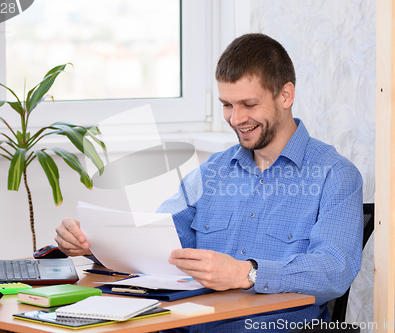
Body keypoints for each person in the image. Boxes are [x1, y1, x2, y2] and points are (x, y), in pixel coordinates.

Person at [55, 33, 363, 332]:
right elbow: (159, 240)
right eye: (227, 105)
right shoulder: (213, 171)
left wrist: (248, 273)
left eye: (249, 104)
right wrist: (91, 242)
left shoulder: (334, 175)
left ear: (285, 95)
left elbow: (334, 270)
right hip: (185, 325)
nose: (235, 118)